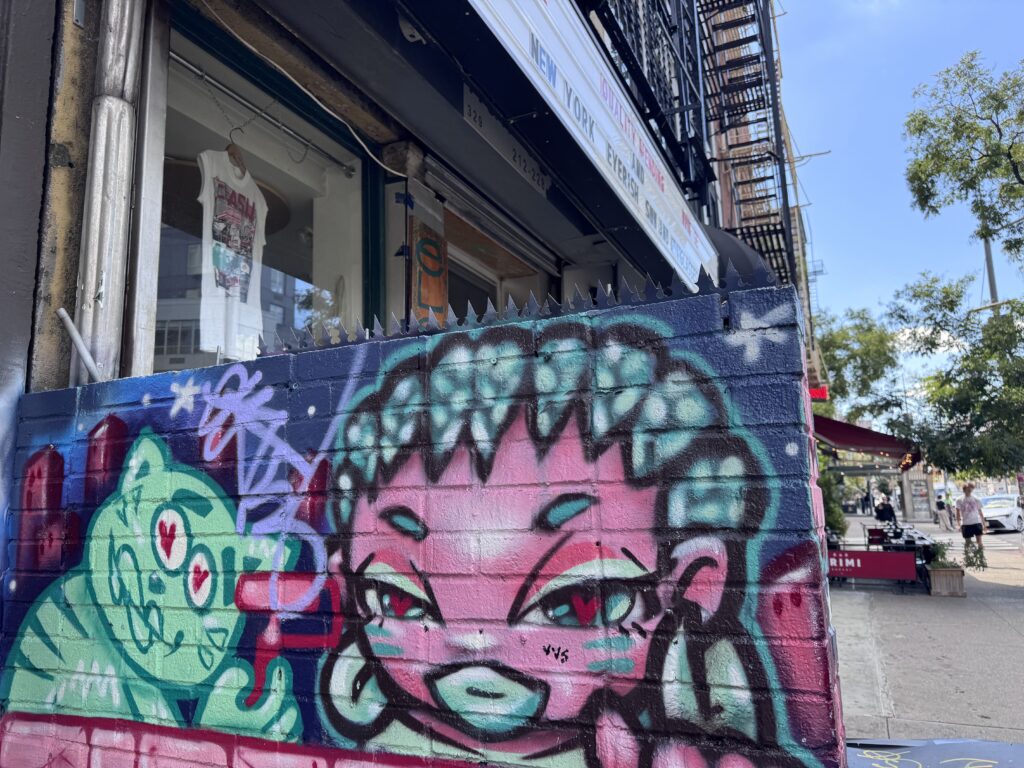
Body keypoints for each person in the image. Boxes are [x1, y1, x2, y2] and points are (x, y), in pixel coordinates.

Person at [956, 482, 986, 550]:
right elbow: (957, 513)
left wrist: (984, 525)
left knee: (979, 541)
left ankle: (981, 556)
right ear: (964, 490)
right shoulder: (959, 500)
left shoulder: (976, 499)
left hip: (976, 522)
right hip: (966, 523)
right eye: (968, 489)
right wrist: (958, 524)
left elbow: (980, 512)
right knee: (968, 542)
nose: (970, 491)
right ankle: (967, 557)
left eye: (971, 489)